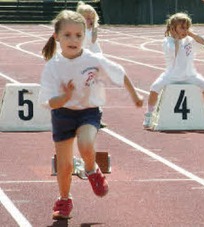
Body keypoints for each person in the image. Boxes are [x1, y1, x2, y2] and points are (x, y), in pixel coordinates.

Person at [38, 10, 143, 219]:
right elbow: (48, 101)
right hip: (62, 114)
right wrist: (65, 97)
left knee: (86, 143)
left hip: (88, 112)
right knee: (65, 165)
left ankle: (92, 169)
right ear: (56, 36)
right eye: (67, 35)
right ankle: (64, 200)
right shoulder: (52, 66)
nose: (73, 40)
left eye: (79, 35)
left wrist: (136, 96)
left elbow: (120, 73)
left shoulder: (93, 59)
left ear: (85, 37)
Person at [142, 13, 204, 129]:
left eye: (187, 27)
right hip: (171, 76)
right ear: (173, 28)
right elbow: (174, 53)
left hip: (190, 75)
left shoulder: (189, 40)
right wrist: (176, 39)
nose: (185, 30)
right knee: (154, 88)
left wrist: (190, 33)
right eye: (182, 27)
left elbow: (203, 42)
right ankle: (149, 114)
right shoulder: (168, 41)